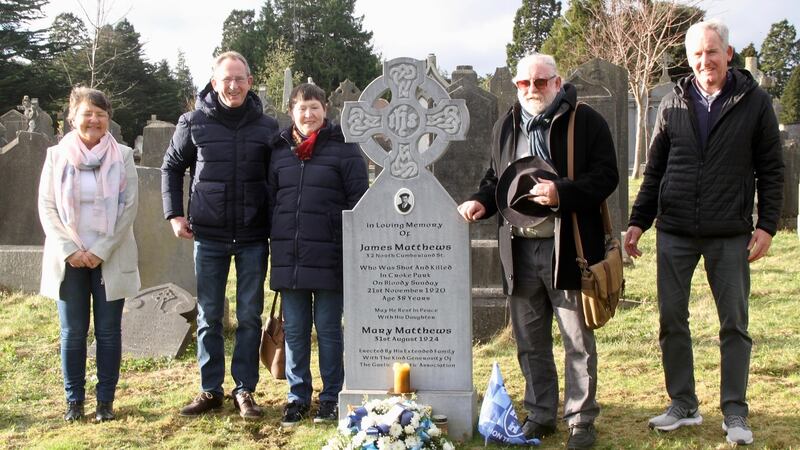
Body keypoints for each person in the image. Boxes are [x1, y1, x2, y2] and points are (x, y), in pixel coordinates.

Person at [625, 19, 783, 446]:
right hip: (675, 230)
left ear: (728, 54)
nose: (704, 61)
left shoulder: (754, 101)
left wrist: (767, 225)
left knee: (734, 324)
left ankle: (735, 411)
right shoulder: (673, 102)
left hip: (729, 232)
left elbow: (771, 168)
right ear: (689, 58)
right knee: (671, 319)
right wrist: (638, 222)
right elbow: (654, 168)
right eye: (696, 54)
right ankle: (683, 405)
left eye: (712, 52)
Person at [457, 53, 618, 449]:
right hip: (519, 249)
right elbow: (497, 179)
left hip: (569, 248)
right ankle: (541, 413)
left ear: (558, 82)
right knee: (530, 340)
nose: (532, 90)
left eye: (541, 82)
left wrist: (560, 192)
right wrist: (480, 201)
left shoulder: (586, 121)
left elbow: (606, 177)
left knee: (576, 339)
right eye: (524, 84)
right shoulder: (506, 124)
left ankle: (581, 420)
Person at [161, 51, 278, 420]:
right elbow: (172, 166)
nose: (233, 85)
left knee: (248, 316)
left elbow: (280, 177)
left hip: (253, 234)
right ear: (214, 83)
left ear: (250, 81)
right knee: (210, 315)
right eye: (226, 79)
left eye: (239, 78)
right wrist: (174, 214)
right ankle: (210, 389)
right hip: (208, 234)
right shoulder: (192, 122)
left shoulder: (268, 127)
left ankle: (244, 390)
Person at [268, 83, 369, 427]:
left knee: (328, 328)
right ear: (291, 112)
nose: (308, 114)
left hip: (330, 253)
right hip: (290, 254)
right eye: (301, 108)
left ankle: (331, 396)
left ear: (325, 109)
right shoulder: (279, 151)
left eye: (314, 107)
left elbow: (359, 202)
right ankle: (297, 396)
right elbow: (273, 200)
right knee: (294, 330)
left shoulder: (345, 149)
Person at [38, 86, 140, 422]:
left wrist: (100, 250)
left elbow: (129, 207)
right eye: (87, 113)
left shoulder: (122, 155)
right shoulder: (56, 155)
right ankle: (74, 401)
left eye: (100, 114)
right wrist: (70, 250)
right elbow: (47, 206)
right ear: (72, 118)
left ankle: (105, 403)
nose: (94, 119)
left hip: (109, 255)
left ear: (108, 119)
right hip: (68, 258)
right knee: (72, 331)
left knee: (109, 332)